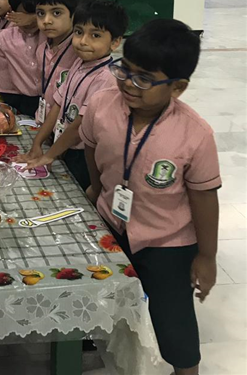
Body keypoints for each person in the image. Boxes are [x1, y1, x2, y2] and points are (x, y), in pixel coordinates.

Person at [80, 19, 221, 375]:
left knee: (172, 318)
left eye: (144, 78)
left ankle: (185, 369)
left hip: (167, 241)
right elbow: (92, 149)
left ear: (178, 87)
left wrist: (206, 256)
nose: (129, 83)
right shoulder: (102, 105)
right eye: (125, 70)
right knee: (96, 293)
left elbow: (205, 198)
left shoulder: (195, 134)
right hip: (111, 225)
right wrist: (96, 189)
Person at [22, 0, 127, 189]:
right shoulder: (79, 62)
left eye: (95, 35)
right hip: (62, 144)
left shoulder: (106, 78)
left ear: (115, 42)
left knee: (75, 194)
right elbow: (58, 104)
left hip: (83, 154)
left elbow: (79, 125)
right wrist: (37, 143)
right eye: (78, 32)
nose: (83, 41)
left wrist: (49, 155)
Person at [34, 0, 80, 125]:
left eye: (56, 13)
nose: (47, 21)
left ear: (74, 14)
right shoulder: (42, 50)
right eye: (41, 13)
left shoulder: (79, 53)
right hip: (43, 122)